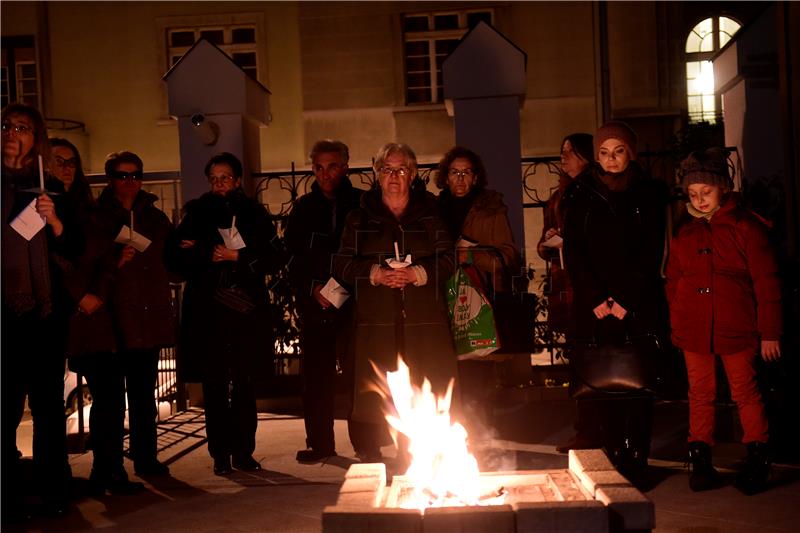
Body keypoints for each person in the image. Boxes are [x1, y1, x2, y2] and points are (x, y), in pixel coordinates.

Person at [666, 148, 782, 495]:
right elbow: (673, 281)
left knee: (745, 391)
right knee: (700, 394)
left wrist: (770, 332)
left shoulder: (747, 228)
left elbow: (767, 282)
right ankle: (700, 460)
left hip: (738, 327)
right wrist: (679, 319)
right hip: (695, 330)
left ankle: (757, 458)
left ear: (723, 189)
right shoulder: (685, 233)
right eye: (692, 194)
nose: (700, 200)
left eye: (706, 192)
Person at [332, 142, 457, 463]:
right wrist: (375, 273)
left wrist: (418, 273)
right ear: (377, 175)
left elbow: (449, 259)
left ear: (412, 175)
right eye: (387, 169)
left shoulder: (430, 213)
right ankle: (373, 452)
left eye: (401, 170)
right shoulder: (360, 217)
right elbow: (342, 263)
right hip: (378, 321)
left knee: (423, 385)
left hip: (423, 321)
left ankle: (416, 454)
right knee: (380, 391)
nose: (394, 176)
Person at [562, 121, 669, 487]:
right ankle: (611, 460)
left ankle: (637, 460)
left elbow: (651, 251)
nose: (611, 160)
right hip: (596, 307)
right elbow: (574, 252)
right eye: (604, 152)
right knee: (603, 386)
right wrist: (596, 300)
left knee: (636, 386)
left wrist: (624, 300)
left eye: (618, 151)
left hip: (634, 304)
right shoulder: (579, 194)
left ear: (631, 153)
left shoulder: (649, 193)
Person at [171, 152, 282, 476]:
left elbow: (274, 257)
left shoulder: (255, 215)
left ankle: (244, 452)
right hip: (208, 315)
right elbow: (178, 258)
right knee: (215, 386)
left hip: (245, 313)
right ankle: (220, 454)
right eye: (214, 179)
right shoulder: (195, 215)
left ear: (237, 180)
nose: (220, 184)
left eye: (226, 178)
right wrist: (207, 254)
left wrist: (238, 256)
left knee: (245, 384)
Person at [2, 103, 82, 519]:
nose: (13, 133)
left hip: (43, 315)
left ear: (36, 137)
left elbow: (74, 250)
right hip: (3, 316)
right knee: (5, 408)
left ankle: (54, 493)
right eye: (6, 126)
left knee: (49, 408)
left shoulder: (47, 185)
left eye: (22, 127)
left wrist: (56, 224)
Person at [54, 143, 145, 495]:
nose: (66, 168)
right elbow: (49, 263)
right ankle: (56, 478)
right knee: (48, 401)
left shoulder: (87, 211)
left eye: (71, 162)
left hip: (96, 315)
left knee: (109, 393)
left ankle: (108, 469)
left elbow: (106, 257)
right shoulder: (36, 205)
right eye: (58, 161)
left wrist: (98, 292)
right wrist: (79, 295)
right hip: (59, 313)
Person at [95, 151, 175, 478]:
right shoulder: (97, 217)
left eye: (135, 175)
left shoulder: (154, 219)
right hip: (111, 322)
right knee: (110, 402)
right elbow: (88, 264)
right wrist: (115, 261)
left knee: (144, 397)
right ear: (110, 179)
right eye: (122, 175)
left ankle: (146, 459)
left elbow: (169, 262)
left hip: (147, 319)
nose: (130, 181)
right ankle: (109, 468)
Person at [435, 146, 520, 438]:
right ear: (445, 177)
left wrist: (472, 256)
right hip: (442, 298)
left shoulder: (491, 208)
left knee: (478, 374)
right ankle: (455, 435)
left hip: (480, 297)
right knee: (447, 372)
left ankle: (482, 435)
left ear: (476, 177)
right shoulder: (433, 209)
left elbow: (508, 255)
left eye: (466, 172)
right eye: (454, 172)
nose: (460, 178)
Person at [285, 140, 362, 463]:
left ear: (345, 166)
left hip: (356, 303)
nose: (325, 173)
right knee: (316, 378)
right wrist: (312, 288)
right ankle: (320, 444)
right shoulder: (303, 208)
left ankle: (367, 443)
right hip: (316, 305)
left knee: (361, 377)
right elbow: (291, 256)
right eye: (318, 167)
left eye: (332, 166)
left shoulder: (362, 204)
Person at [537, 133, 593, 336]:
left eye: (571, 151)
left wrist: (570, 240)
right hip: (564, 275)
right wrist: (548, 241)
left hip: (589, 277)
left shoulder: (595, 191)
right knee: (574, 339)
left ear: (586, 155)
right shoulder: (557, 197)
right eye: (562, 151)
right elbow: (543, 240)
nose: (564, 156)